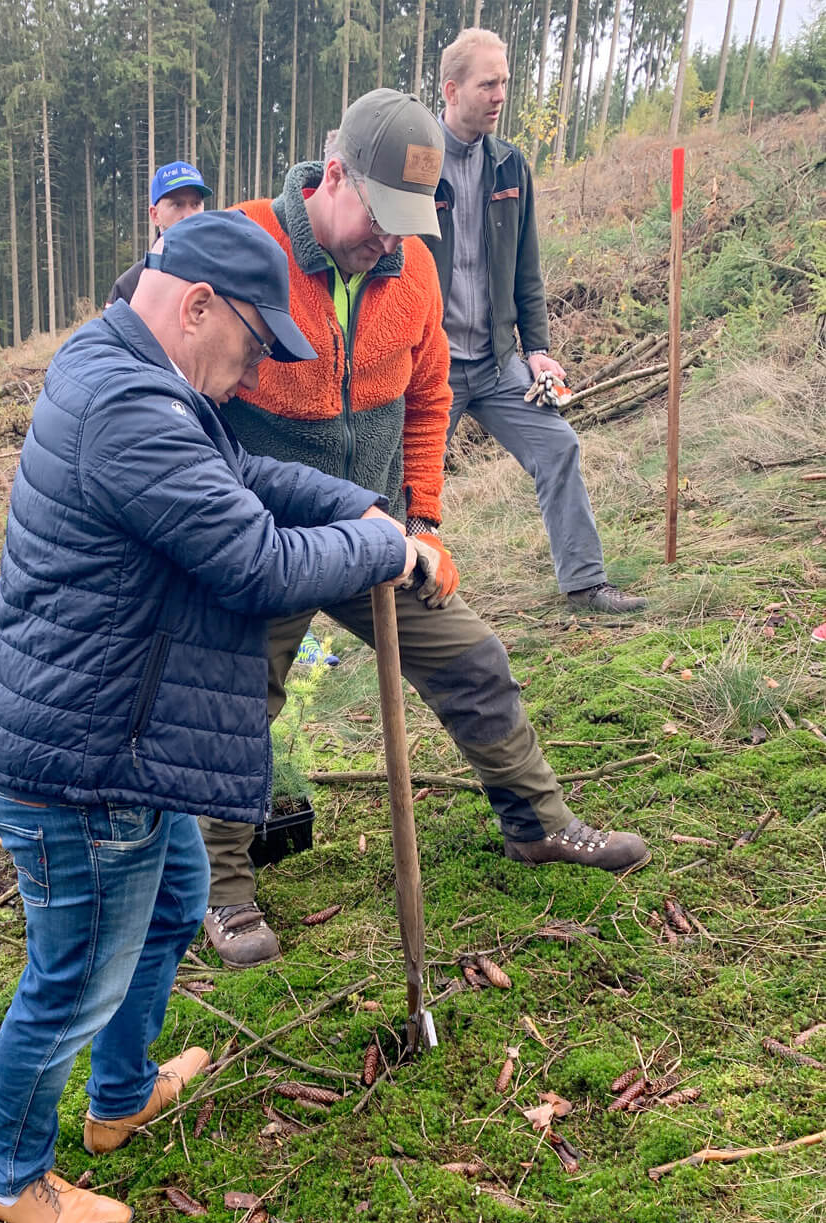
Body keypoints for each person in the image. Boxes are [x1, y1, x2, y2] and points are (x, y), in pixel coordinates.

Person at [0, 210, 419, 1223]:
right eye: (255, 345)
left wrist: (360, 507)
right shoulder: (129, 404)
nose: (257, 373)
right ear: (199, 306)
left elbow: (243, 480)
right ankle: (12, 1172)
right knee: (74, 978)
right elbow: (252, 562)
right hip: (84, 765)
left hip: (122, 739)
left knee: (176, 905)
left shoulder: (138, 368)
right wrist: (380, 552)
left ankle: (121, 1095)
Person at [199, 89, 651, 970]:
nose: (391, 241)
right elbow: (188, 390)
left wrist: (425, 520)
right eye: (381, 217)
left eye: (410, 223)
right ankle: (223, 889)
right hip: (265, 539)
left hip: (373, 533)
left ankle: (538, 823)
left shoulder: (411, 273)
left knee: (474, 657)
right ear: (334, 175)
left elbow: (429, 400)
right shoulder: (247, 243)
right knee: (235, 699)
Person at [427, 27, 647, 615]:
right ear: (451, 90)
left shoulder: (510, 166)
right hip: (432, 367)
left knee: (559, 448)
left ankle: (585, 584)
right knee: (406, 482)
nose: (500, 95)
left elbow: (527, 270)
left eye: (504, 82)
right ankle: (395, 602)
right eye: (488, 84)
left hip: (499, 363)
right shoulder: (418, 165)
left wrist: (538, 349)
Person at [105, 161, 212, 306]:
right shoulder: (129, 286)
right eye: (177, 205)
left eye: (195, 204)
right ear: (155, 215)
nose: (189, 216)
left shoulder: (222, 272)